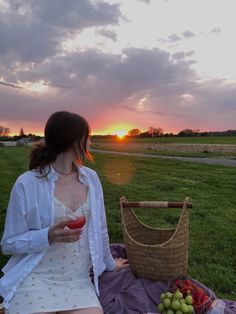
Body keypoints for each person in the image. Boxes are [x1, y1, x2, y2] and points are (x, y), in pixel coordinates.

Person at [0, 111, 129, 314]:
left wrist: (110, 264)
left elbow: (101, 229)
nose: (91, 143)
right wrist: (47, 236)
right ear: (73, 141)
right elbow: (8, 244)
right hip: (36, 277)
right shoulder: (27, 183)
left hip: (77, 280)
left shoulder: (91, 179)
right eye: (88, 137)